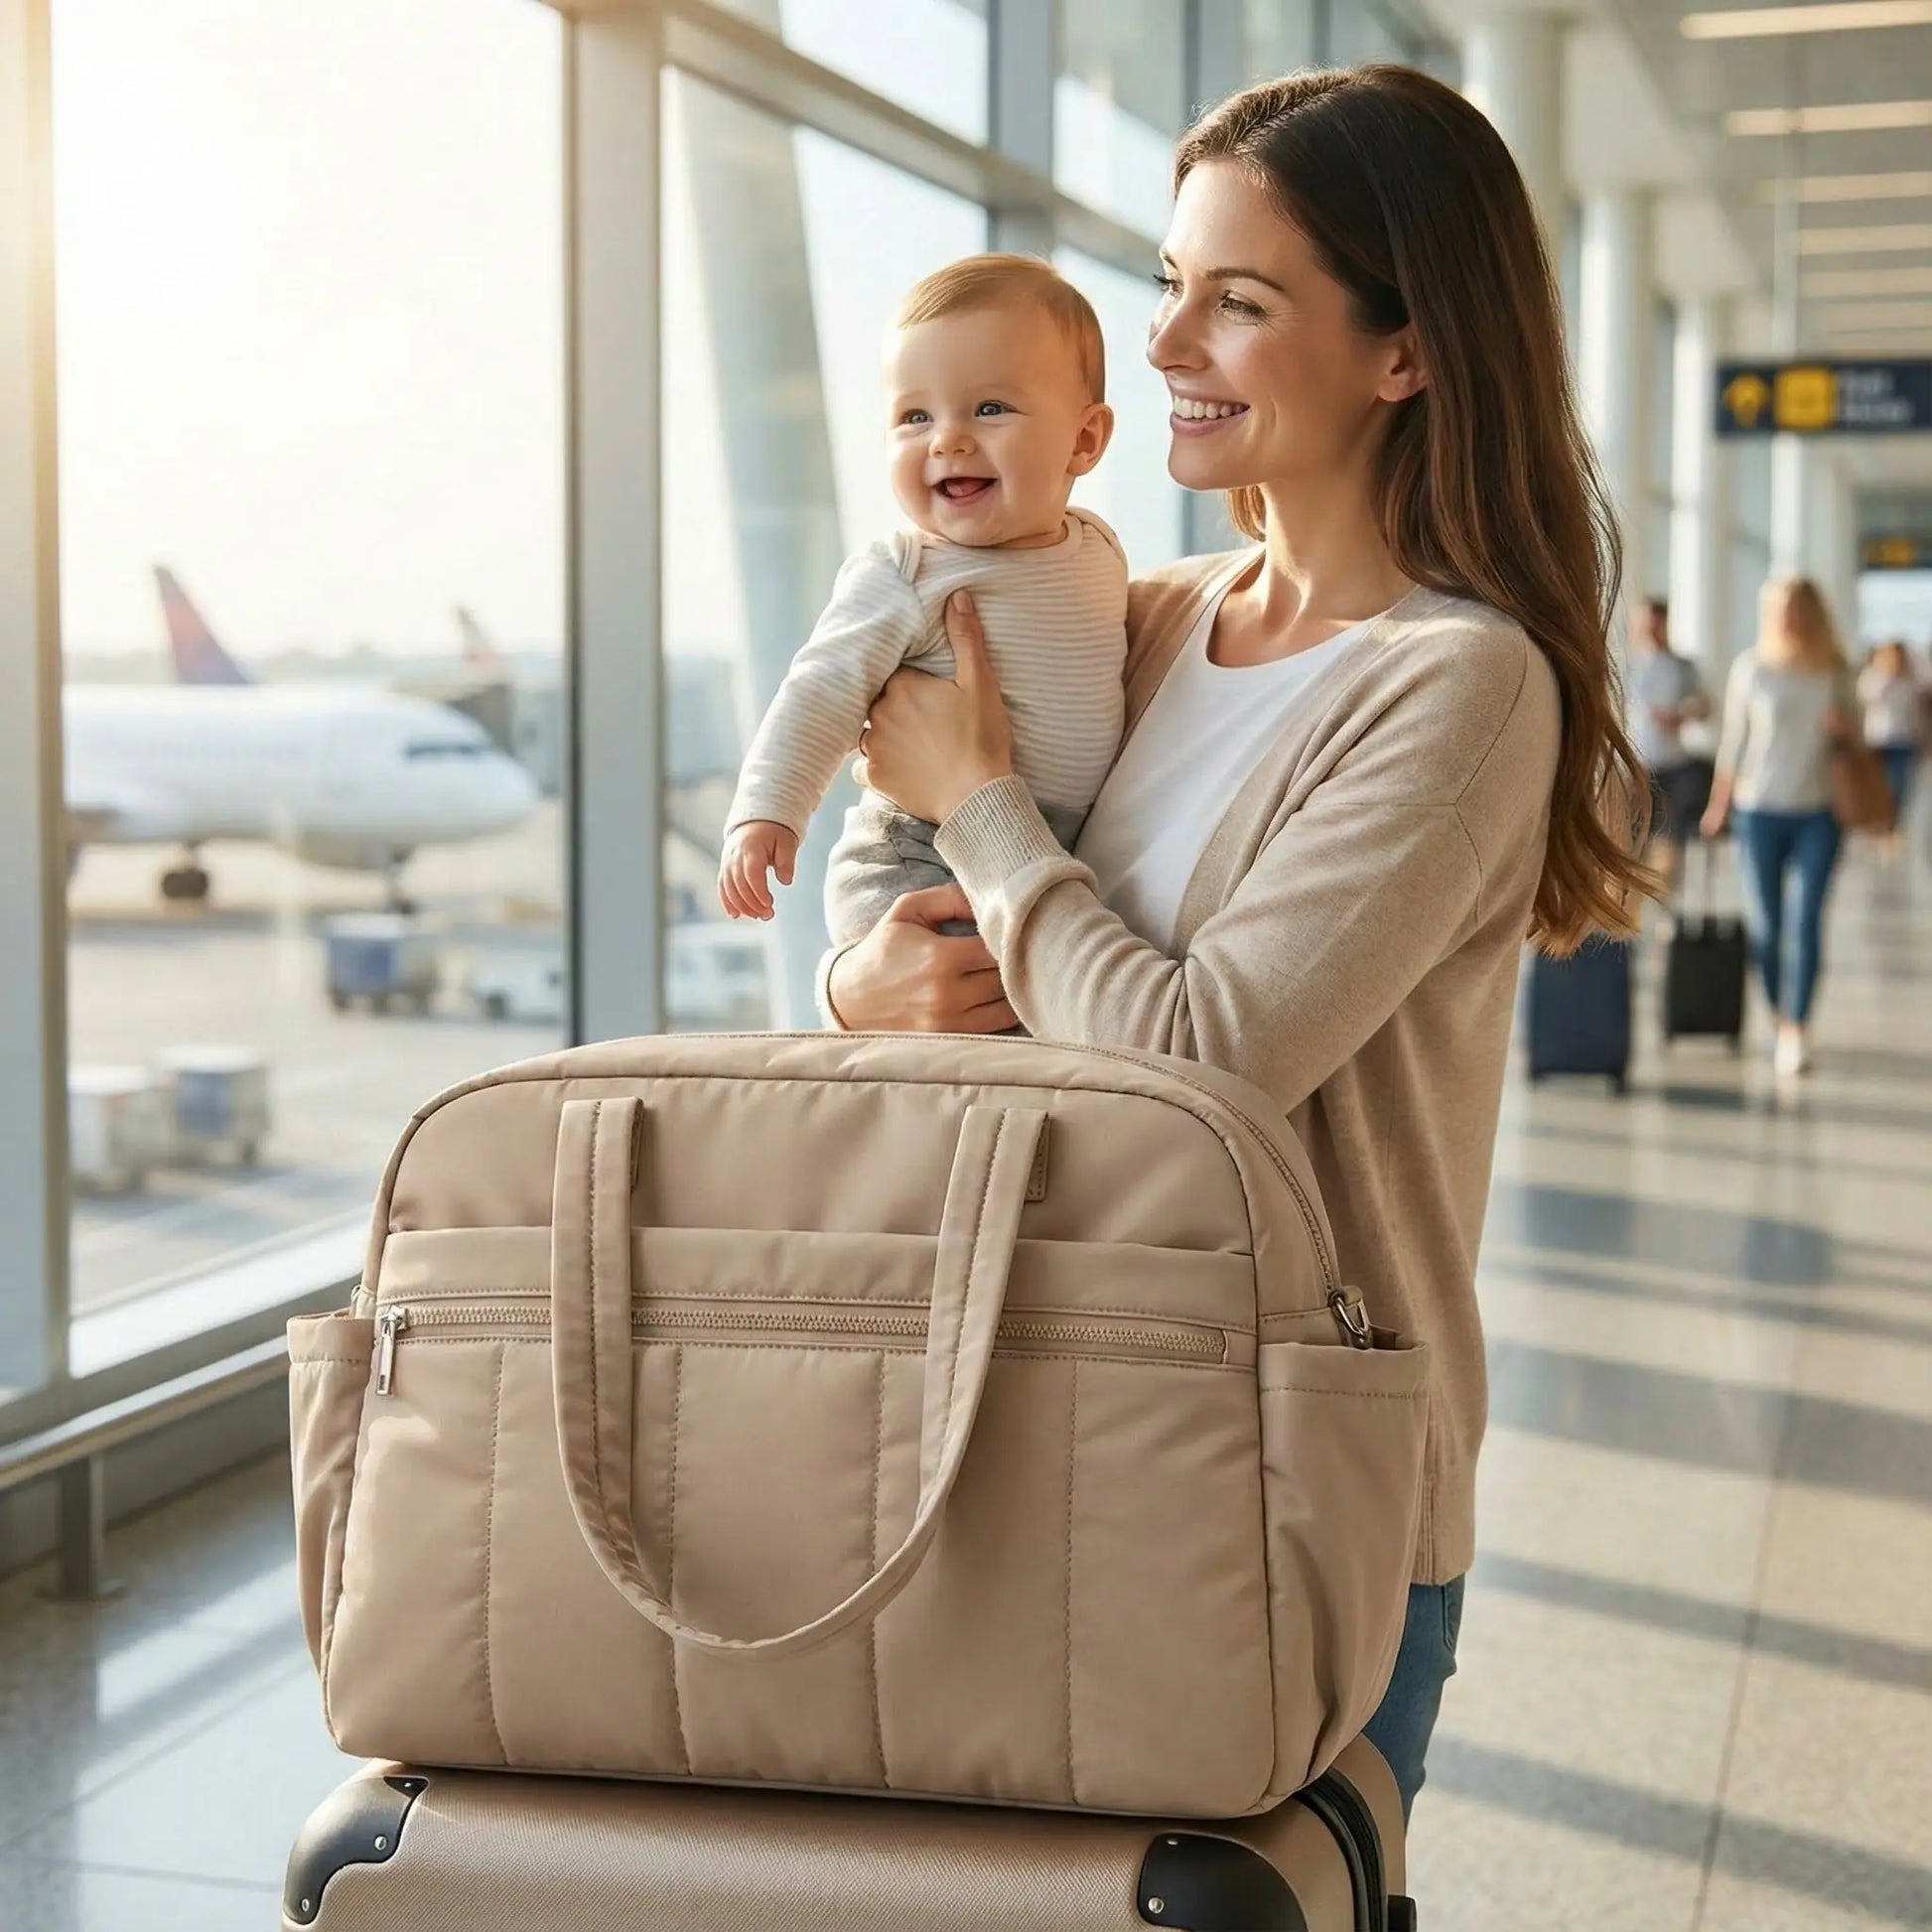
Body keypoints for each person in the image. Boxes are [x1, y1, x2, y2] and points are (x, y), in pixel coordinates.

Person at [820, 67, 1654, 1820]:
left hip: (1280, 1470)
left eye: (1238, 301)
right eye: (1172, 284)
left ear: (1403, 353)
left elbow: (1201, 1056)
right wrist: (855, 978)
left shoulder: (1457, 683)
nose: (1168, 340)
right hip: (1026, 1407)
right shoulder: (1139, 613)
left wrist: (983, 809)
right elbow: (892, 835)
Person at [718, 255, 1127, 968]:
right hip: (917, 852)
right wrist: (768, 810)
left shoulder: (1099, 550)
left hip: (1043, 847)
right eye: (914, 416)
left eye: (989, 408)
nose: (947, 438)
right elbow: (820, 690)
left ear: (1085, 440)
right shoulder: (905, 571)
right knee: (976, 1010)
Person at [1701, 577, 1858, 1077]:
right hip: (1758, 811)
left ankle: (1797, 1027)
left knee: (1806, 920)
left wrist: (1844, 732)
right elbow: (1732, 744)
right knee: (1766, 926)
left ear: (1813, 612)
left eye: (1798, 608)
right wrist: (1718, 806)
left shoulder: (1834, 671)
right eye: (1782, 608)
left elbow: (1860, 742)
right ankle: (1777, 1011)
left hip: (1819, 812)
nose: (1790, 617)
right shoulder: (1751, 669)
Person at [1627, 595, 1712, 901]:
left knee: (1669, 836)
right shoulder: (1628, 666)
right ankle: (1632, 907)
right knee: (1633, 837)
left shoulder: (1682, 666)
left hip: (1672, 764)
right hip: (1636, 763)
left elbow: (1704, 705)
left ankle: (1662, 900)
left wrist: (1681, 716)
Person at [1858, 638, 1922, 853]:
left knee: (1898, 785)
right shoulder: (1874, 678)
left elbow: (1917, 711)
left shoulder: (1910, 681)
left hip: (1904, 741)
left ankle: (1891, 827)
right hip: (1878, 741)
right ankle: (1879, 824)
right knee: (1879, 786)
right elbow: (1864, 700)